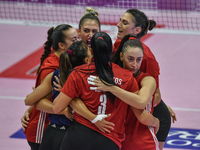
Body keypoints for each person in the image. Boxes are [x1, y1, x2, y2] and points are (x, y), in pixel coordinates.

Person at [52, 32, 145, 150]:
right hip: (109, 139)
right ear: (112, 49)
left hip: (78, 136)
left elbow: (56, 108)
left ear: (91, 51)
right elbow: (139, 105)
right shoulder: (127, 76)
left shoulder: (78, 72)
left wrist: (70, 96)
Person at [112, 9, 177, 149]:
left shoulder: (147, 57)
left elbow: (156, 95)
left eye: (124, 23)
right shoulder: (119, 44)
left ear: (137, 29)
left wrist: (160, 107)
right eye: (120, 20)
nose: (118, 25)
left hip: (153, 117)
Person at [90, 36, 160, 149]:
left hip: (142, 141)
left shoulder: (147, 80)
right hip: (116, 139)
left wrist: (156, 121)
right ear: (121, 56)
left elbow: (141, 103)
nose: (135, 64)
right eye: (130, 59)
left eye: (139, 60)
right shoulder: (113, 75)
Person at [24, 40, 92, 150]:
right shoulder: (87, 79)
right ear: (87, 60)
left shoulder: (57, 74)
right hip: (71, 134)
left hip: (51, 132)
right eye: (89, 50)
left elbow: (30, 101)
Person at [21, 24, 78, 150]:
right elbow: (37, 100)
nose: (78, 42)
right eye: (74, 40)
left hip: (55, 126)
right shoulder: (52, 67)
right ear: (61, 45)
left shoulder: (65, 61)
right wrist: (63, 111)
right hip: (42, 129)